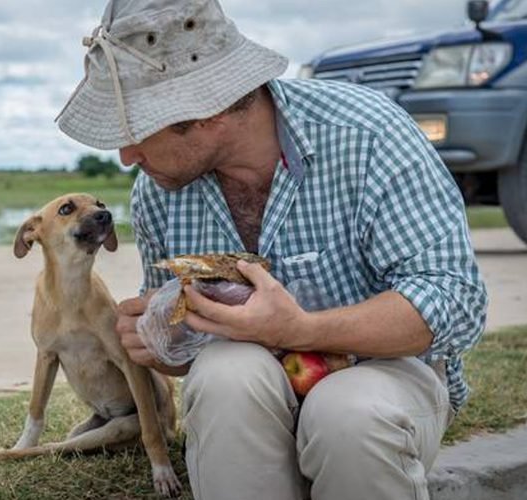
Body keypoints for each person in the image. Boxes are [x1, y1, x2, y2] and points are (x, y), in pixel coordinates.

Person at [55, 0, 488, 499]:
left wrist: (302, 329)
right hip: (248, 392)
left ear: (206, 112)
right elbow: (185, 355)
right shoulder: (159, 190)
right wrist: (158, 343)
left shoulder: (367, 134)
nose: (127, 156)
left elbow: (452, 301)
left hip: (384, 375)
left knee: (347, 412)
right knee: (224, 375)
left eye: (134, 132)